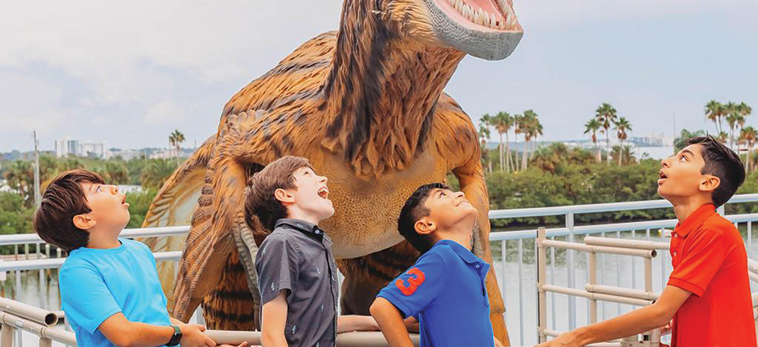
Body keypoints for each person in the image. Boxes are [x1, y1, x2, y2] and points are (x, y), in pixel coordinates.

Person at [536, 136, 756, 347]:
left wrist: (576, 337)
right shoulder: (687, 231)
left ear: (708, 182)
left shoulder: (713, 231)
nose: (665, 161)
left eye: (683, 158)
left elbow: (660, 312)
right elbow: (679, 306)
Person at [33, 169, 244, 347]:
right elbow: (124, 335)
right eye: (98, 189)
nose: (113, 188)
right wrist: (179, 333)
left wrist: (202, 339)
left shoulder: (138, 251)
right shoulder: (79, 271)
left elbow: (156, 319)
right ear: (84, 220)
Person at [243, 156, 379, 347]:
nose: (323, 179)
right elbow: (272, 335)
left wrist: (376, 322)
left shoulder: (316, 244)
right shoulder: (282, 242)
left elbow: (318, 324)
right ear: (285, 195)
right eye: (307, 174)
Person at [369, 183, 504, 347]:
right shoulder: (443, 259)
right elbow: (383, 306)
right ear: (425, 225)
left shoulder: (462, 265)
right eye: (442, 195)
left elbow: (421, 320)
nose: (460, 193)